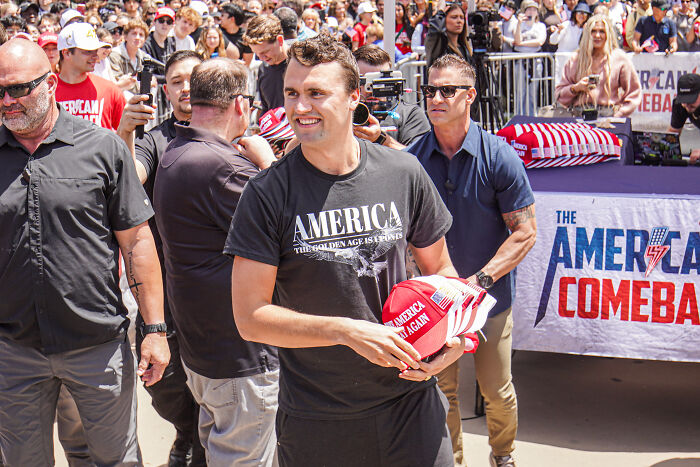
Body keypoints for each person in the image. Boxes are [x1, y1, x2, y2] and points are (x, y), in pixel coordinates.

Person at [227, 33, 471, 467]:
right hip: (319, 420)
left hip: (411, 407)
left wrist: (456, 337)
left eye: (317, 93)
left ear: (355, 95)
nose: (300, 107)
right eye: (292, 93)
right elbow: (250, 318)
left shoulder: (402, 171)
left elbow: (444, 273)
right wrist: (345, 331)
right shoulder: (266, 194)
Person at [0, 37, 169, 467]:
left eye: (19, 89)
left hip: (97, 346)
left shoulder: (102, 148)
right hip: (14, 351)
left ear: (51, 82)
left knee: (114, 459)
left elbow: (137, 241)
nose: (8, 101)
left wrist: (154, 329)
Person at [406, 54, 537, 467]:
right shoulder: (412, 159)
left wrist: (478, 282)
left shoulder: (499, 156)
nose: (436, 98)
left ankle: (503, 456)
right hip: (433, 305)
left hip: (489, 300)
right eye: (430, 90)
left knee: (497, 390)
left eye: (448, 90)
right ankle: (453, 460)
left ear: (471, 96)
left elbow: (525, 232)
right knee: (439, 393)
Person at [154, 57, 280, 467]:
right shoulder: (222, 165)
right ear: (240, 105)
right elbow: (287, 226)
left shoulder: (177, 150)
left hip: (207, 351)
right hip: (237, 357)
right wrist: (267, 163)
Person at [115, 50, 208, 467]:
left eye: (194, 77)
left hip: (218, 283)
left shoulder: (230, 131)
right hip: (166, 284)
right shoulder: (155, 139)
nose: (185, 86)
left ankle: (201, 443)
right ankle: (188, 432)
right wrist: (126, 132)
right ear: (166, 89)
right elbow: (129, 179)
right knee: (164, 381)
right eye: (176, 80)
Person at [556, 14, 642, 117]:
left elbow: (634, 93)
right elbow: (559, 95)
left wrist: (618, 115)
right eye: (593, 31)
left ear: (608, 34)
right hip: (579, 116)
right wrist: (575, 88)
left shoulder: (619, 58)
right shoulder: (575, 59)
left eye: (602, 31)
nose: (597, 35)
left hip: (608, 116)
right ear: (587, 33)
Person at [352, 45, 430, 148]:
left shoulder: (409, 115)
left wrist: (382, 139)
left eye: (378, 82)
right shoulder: (343, 114)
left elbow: (418, 159)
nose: (370, 90)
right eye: (364, 81)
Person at [55, 22, 126, 130]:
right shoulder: (47, 92)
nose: (95, 56)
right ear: (67, 53)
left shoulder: (111, 91)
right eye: (87, 51)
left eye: (95, 50)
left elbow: (126, 135)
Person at [244, 14, 288, 115]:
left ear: (280, 41)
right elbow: (267, 108)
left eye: (265, 52)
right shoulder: (263, 69)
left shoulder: (301, 65)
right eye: (256, 53)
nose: (261, 58)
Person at [109, 18, 152, 94]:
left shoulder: (144, 57)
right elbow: (120, 84)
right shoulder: (114, 56)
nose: (137, 38)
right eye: (134, 34)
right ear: (125, 36)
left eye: (141, 35)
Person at [425, 0, 472, 69]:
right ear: (444, 20)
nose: (459, 21)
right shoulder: (439, 46)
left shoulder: (464, 48)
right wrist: (440, 12)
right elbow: (436, 30)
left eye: (461, 17)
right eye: (454, 17)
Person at [668, 73, 700, 165]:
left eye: (691, 99)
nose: (686, 105)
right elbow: (673, 134)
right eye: (683, 99)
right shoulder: (681, 105)